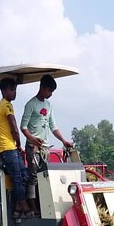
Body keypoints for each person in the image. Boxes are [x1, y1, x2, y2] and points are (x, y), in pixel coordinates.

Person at [21, 74, 74, 212]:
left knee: (44, 177)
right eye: (49, 91)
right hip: (33, 147)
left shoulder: (48, 105)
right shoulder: (31, 104)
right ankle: (33, 207)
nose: (50, 94)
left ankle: (43, 205)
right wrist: (32, 139)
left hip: (45, 148)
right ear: (43, 87)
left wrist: (64, 141)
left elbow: (53, 126)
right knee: (33, 177)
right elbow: (23, 127)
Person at [0, 77, 32, 218]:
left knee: (24, 176)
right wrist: (19, 145)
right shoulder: (7, 105)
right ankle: (25, 207)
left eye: (15, 90)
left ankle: (17, 208)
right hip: (7, 147)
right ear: (3, 91)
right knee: (19, 177)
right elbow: (15, 128)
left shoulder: (1, 105)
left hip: (8, 147)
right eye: (11, 90)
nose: (14, 93)